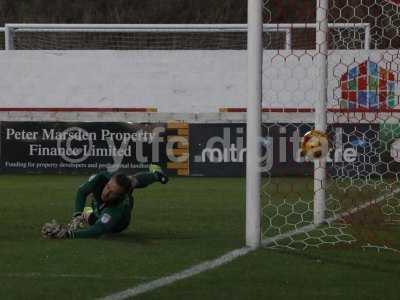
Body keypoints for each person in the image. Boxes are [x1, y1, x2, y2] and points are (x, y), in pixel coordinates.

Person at [41, 164, 168, 239]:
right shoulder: (103, 177)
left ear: (120, 196)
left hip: (117, 224)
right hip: (105, 204)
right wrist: (76, 214)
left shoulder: (116, 208)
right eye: (108, 187)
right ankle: (157, 175)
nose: (106, 193)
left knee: (94, 218)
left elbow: (98, 230)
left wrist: (70, 234)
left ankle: (89, 213)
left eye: (112, 192)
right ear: (108, 181)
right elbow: (81, 191)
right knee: (131, 180)